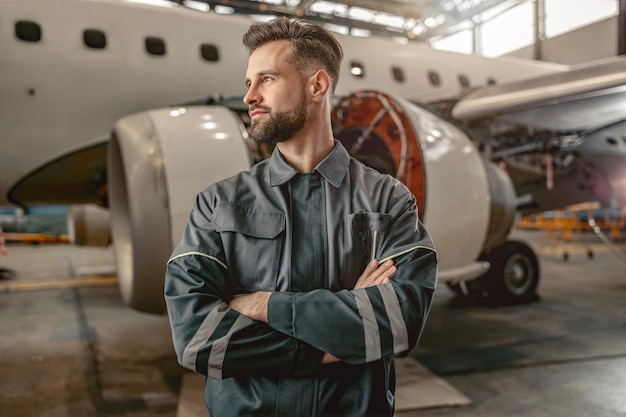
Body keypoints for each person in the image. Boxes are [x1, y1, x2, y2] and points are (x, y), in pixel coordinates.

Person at [164, 16, 438, 417]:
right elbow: (197, 338)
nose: (250, 97)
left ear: (317, 85)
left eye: (267, 79)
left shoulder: (389, 200)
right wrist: (344, 327)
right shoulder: (217, 204)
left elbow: (399, 322)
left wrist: (264, 305)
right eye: (248, 83)